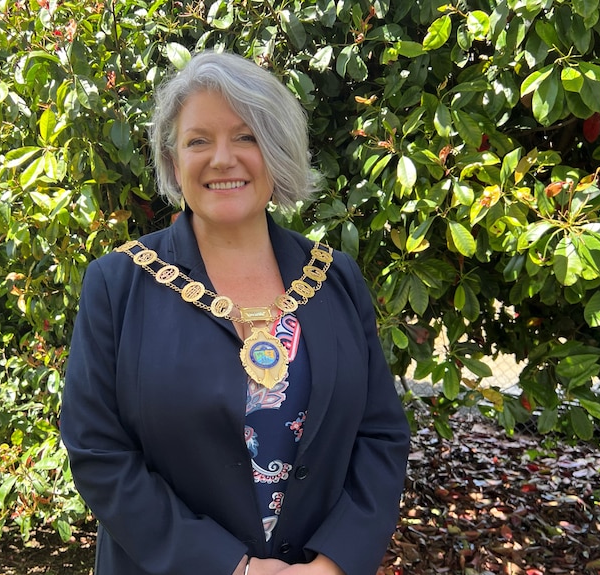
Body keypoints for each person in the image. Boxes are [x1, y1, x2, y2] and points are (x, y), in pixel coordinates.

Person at [60, 50, 411, 575]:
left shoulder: (335, 277)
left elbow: (380, 435)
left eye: (246, 137)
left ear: (277, 151)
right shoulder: (118, 283)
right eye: (198, 140)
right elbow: (98, 453)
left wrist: (335, 563)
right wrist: (231, 567)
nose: (222, 158)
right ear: (174, 161)